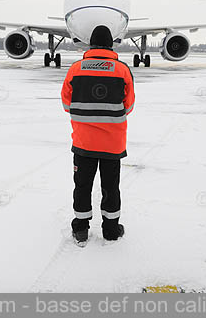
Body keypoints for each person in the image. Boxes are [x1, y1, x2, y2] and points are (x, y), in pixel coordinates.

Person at [61, 25, 135, 245]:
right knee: (111, 187)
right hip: (112, 144)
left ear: (90, 44)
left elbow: (66, 103)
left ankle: (81, 230)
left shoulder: (76, 69)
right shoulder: (122, 70)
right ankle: (111, 231)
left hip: (84, 143)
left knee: (82, 186)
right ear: (111, 45)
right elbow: (128, 106)